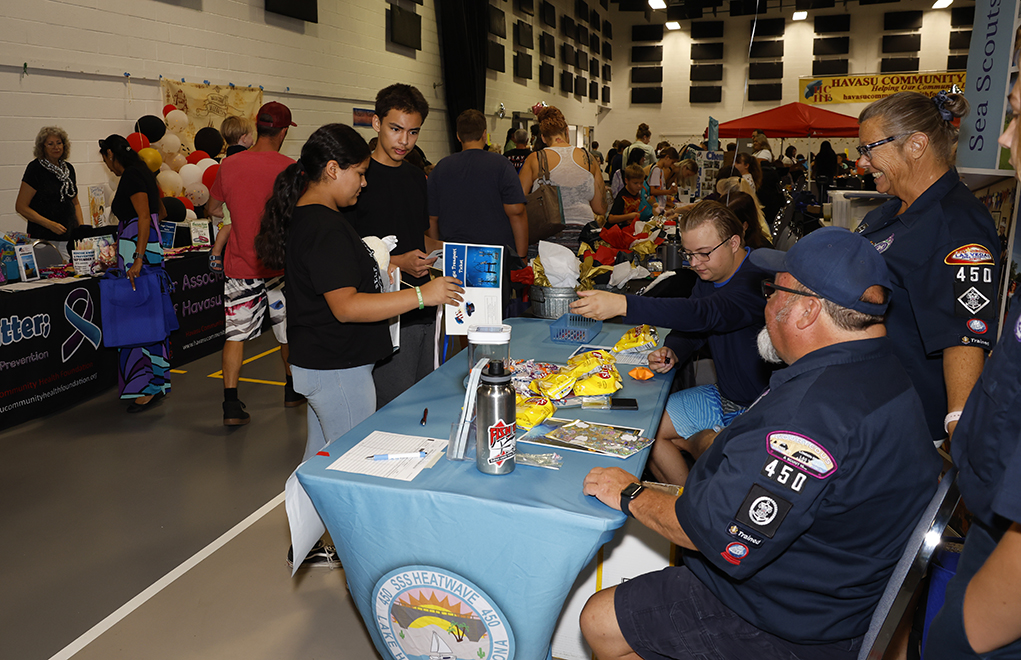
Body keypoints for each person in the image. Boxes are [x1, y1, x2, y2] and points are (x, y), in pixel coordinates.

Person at [579, 226, 942, 660]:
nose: (764, 302)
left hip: (789, 620)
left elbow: (718, 536)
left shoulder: (809, 416)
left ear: (807, 311)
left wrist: (631, 493)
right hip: (832, 584)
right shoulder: (881, 369)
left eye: (772, 290)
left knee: (600, 618)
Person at [253, 123, 463, 568]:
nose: (364, 184)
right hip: (337, 369)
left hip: (323, 365)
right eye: (360, 174)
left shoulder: (316, 219)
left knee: (319, 459)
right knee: (355, 466)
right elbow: (346, 306)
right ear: (332, 170)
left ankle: (307, 543)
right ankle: (363, 557)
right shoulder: (324, 226)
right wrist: (425, 295)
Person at [923, 68, 1021, 660]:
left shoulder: (957, 222)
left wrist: (961, 639)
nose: (1006, 137)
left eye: (1016, 111)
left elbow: (966, 325)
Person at [571, 201, 772, 486]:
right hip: (724, 396)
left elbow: (706, 313)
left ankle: (697, 476)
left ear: (734, 242)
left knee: (714, 456)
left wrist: (624, 304)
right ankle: (684, 505)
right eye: (688, 254)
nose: (695, 263)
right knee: (644, 431)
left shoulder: (757, 283)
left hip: (759, 410)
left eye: (703, 254)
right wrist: (674, 349)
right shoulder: (711, 273)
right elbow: (697, 324)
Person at [855, 89, 1000, 445]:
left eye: (868, 149)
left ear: (916, 145)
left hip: (912, 427)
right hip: (869, 407)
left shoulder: (957, 226)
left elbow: (965, 334)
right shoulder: (888, 212)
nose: (861, 163)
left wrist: (958, 428)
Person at [343, 83, 442, 408]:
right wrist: (397, 261)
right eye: (396, 129)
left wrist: (455, 254)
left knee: (427, 401)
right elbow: (347, 250)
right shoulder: (357, 178)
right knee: (395, 407)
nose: (404, 141)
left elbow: (422, 236)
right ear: (376, 123)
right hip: (385, 315)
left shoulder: (416, 178)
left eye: (413, 132)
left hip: (426, 308)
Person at [208, 101, 299, 426]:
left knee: (235, 334)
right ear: (284, 131)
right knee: (287, 331)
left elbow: (213, 208)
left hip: (240, 267)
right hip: (278, 267)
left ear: (257, 128)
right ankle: (292, 391)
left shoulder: (229, 165)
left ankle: (231, 405)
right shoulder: (291, 168)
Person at [99, 134, 172, 413]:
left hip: (137, 253)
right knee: (151, 315)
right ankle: (158, 381)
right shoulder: (145, 171)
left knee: (138, 317)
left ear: (110, 155)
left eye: (106, 159)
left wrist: (137, 256)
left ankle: (145, 388)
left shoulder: (131, 175)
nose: (108, 166)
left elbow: (144, 216)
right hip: (147, 249)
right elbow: (160, 213)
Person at [428, 109, 528, 301]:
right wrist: (521, 257)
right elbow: (517, 212)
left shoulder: (441, 168)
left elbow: (432, 219)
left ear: (458, 136)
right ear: (484, 134)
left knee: (458, 316)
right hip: (493, 257)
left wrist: (439, 257)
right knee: (493, 316)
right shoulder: (501, 165)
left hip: (454, 257)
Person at [518, 105, 607, 253]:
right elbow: (600, 208)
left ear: (543, 138)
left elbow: (518, 202)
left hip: (547, 240)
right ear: (567, 131)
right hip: (584, 240)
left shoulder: (535, 159)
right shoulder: (589, 159)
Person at [16, 126, 84, 260]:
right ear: (42, 147)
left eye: (59, 143)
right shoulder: (35, 169)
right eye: (50, 144)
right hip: (43, 238)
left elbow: (74, 202)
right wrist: (49, 224)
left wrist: (81, 229)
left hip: (68, 238)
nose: (56, 147)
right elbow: (21, 206)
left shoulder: (69, 169)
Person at [208, 115, 255, 274]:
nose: (253, 138)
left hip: (230, 198)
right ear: (243, 138)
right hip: (235, 200)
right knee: (229, 225)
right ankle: (216, 252)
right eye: (251, 135)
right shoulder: (243, 158)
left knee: (230, 225)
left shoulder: (226, 159)